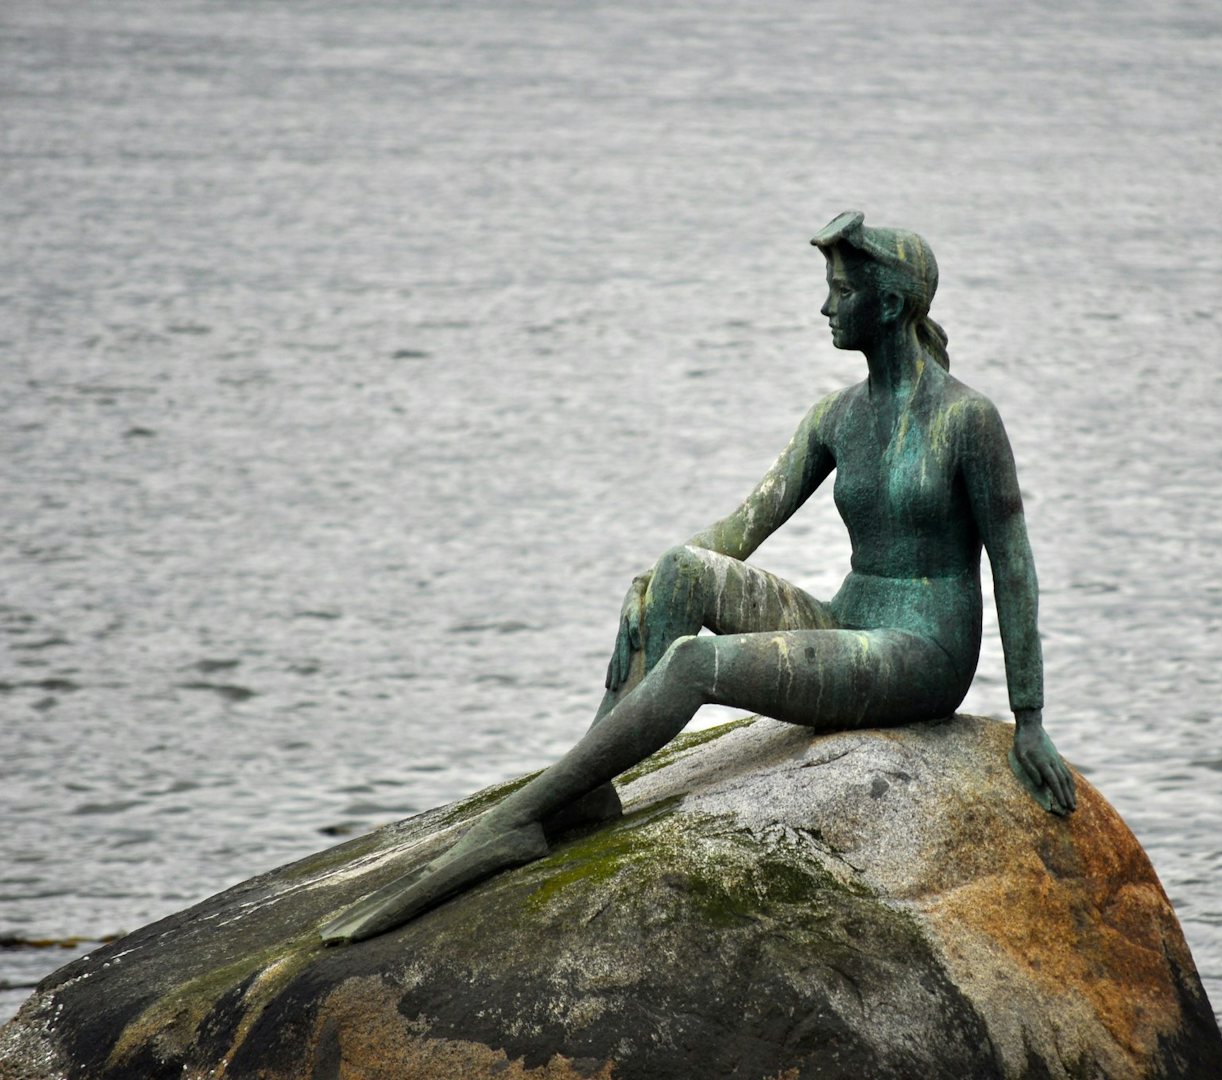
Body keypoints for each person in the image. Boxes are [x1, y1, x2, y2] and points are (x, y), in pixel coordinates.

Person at [321, 211, 1076, 945]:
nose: (824, 305)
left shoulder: (967, 419)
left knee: (695, 665)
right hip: (850, 621)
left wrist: (1030, 716)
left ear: (890, 303)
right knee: (682, 572)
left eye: (841, 292)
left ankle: (516, 822)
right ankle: (583, 795)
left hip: (922, 651)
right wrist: (651, 581)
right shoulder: (836, 417)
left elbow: (1014, 565)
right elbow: (740, 531)